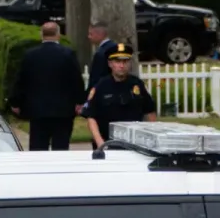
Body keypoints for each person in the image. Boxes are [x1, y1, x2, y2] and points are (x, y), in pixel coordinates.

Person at [11, 21, 85, 151]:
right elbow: (76, 80)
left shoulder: (30, 55)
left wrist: (15, 102)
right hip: (63, 111)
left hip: (37, 111)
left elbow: (21, 80)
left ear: (41, 35)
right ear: (58, 35)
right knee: (61, 147)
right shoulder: (68, 54)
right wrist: (79, 101)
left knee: (38, 147)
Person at [83, 42, 156, 145]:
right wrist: (100, 142)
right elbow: (91, 116)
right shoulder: (101, 86)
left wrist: (150, 137)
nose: (122, 65)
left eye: (125, 61)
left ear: (130, 63)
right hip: (107, 142)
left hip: (134, 143)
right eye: (117, 62)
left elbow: (150, 112)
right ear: (110, 64)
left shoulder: (137, 85)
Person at [86, 22, 116, 88]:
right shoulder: (115, 47)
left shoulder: (101, 53)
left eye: (91, 34)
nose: (89, 37)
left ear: (99, 35)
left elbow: (96, 77)